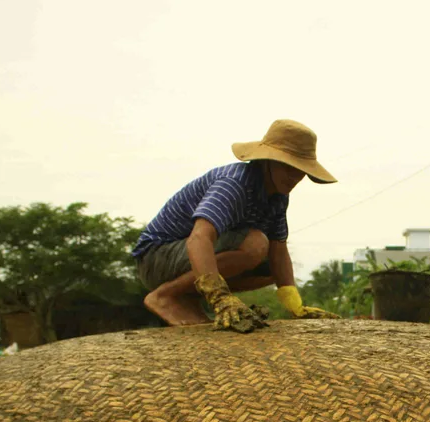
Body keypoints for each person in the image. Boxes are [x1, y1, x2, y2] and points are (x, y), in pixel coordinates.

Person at [132, 119, 340, 332]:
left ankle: (187, 297)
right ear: (268, 161)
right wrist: (219, 296)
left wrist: (294, 304)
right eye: (287, 166)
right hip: (156, 257)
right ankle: (165, 296)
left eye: (300, 169)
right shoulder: (234, 184)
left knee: (272, 268)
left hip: (187, 261)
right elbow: (199, 238)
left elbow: (279, 249)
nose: (295, 176)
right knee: (255, 244)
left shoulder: (278, 196)